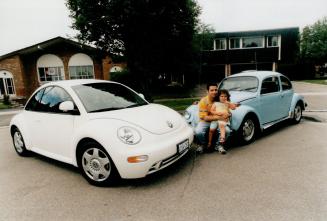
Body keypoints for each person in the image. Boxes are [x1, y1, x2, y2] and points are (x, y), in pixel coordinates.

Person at [195, 83, 230, 153]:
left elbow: (227, 108)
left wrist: (229, 114)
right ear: (207, 91)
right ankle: (203, 144)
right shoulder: (203, 101)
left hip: (219, 121)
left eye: (216, 90)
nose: (214, 92)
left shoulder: (220, 98)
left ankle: (218, 145)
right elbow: (204, 118)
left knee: (227, 131)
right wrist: (219, 116)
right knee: (198, 131)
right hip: (206, 121)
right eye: (212, 90)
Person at [207, 89, 240, 154]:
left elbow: (233, 108)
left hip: (223, 120)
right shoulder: (216, 103)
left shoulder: (227, 104)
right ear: (218, 97)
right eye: (221, 96)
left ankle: (219, 145)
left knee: (226, 130)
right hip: (216, 119)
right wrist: (217, 113)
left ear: (227, 97)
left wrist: (228, 103)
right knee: (211, 129)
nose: (223, 98)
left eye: (225, 96)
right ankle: (209, 143)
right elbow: (211, 110)